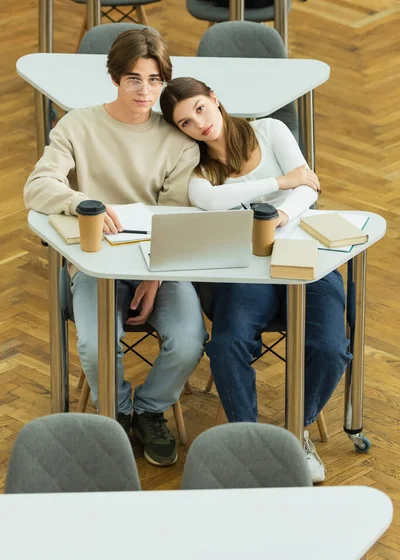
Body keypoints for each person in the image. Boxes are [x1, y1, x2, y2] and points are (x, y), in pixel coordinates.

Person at [24, 32, 208, 467]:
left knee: (189, 340)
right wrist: (82, 203)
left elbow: (175, 217)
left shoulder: (178, 141)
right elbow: (36, 187)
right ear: (113, 78)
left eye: (155, 81)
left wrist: (154, 275)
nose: (145, 92)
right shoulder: (77, 125)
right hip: (95, 263)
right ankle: (119, 410)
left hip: (159, 264)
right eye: (133, 80)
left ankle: (148, 409)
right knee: (94, 345)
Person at [160, 77, 352, 483]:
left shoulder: (270, 129)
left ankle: (292, 434)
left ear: (214, 98)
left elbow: (309, 190)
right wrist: (282, 183)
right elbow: (207, 200)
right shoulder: (198, 169)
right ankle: (250, 442)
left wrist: (279, 216)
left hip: (303, 254)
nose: (198, 124)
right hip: (246, 268)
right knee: (228, 344)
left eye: (199, 109)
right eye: (184, 123)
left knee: (332, 347)